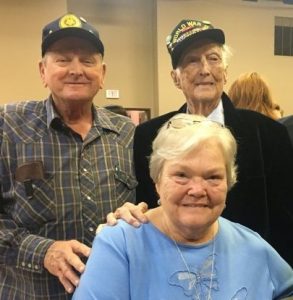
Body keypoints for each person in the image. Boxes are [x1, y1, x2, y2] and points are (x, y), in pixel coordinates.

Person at [124, 19, 293, 266]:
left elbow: (286, 217)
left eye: (213, 58)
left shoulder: (268, 133)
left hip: (252, 270)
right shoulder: (148, 136)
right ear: (175, 77)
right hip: (176, 268)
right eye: (192, 60)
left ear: (225, 71)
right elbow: (148, 209)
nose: (205, 69)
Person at [74, 114, 293, 300]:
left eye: (213, 177)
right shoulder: (120, 245)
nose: (197, 190)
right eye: (181, 175)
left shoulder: (253, 247)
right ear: (157, 179)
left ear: (229, 182)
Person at [0, 13, 137, 299]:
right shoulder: (8, 126)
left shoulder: (127, 134)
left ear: (103, 74)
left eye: (88, 61)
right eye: (63, 60)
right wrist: (42, 251)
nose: (76, 70)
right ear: (42, 71)